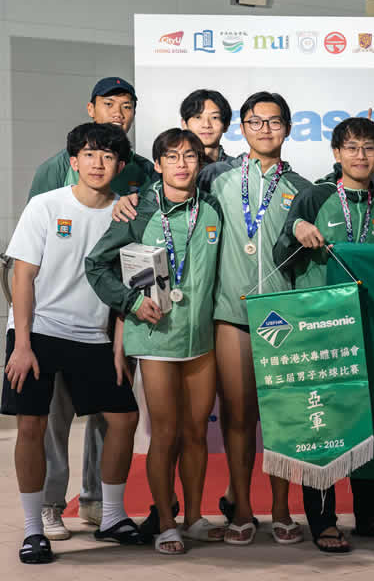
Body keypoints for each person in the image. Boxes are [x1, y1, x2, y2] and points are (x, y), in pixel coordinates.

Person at [113, 91, 312, 546]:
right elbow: (169, 199)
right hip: (228, 315)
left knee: (281, 418)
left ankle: (281, 509)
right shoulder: (217, 179)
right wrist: (132, 202)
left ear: (288, 127)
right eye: (255, 122)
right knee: (238, 418)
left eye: (274, 121)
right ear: (242, 128)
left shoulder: (303, 186)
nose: (265, 129)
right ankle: (242, 509)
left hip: (283, 315)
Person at [4, 123, 147, 564]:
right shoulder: (46, 206)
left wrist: (119, 345)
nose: (98, 163)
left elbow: (128, 285)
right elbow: (21, 274)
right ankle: (33, 529)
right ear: (73, 161)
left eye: (107, 157)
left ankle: (111, 516)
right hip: (40, 331)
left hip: (94, 335)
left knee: (123, 419)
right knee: (32, 425)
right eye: (89, 155)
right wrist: (22, 343)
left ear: (120, 166)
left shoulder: (125, 215)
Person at [85, 129, 226, 555]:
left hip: (201, 338)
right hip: (156, 338)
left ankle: (194, 516)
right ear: (158, 164)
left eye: (190, 156)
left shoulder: (214, 209)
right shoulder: (140, 211)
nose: (182, 164)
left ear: (199, 164)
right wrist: (129, 303)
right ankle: (166, 521)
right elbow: (96, 265)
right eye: (172, 157)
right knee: (164, 433)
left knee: (197, 432)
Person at [272, 117, 374, 552]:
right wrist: (297, 230)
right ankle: (324, 521)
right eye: (351, 148)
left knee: (370, 425)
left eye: (369, 148)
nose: (361, 156)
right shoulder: (316, 195)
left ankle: (368, 515)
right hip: (319, 331)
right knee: (323, 425)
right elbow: (280, 253)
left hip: (368, 327)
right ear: (336, 154)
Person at [180, 89, 234, 164]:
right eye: (198, 117)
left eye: (214, 117)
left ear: (226, 125)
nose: (206, 125)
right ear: (184, 124)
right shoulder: (174, 168)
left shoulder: (239, 169)